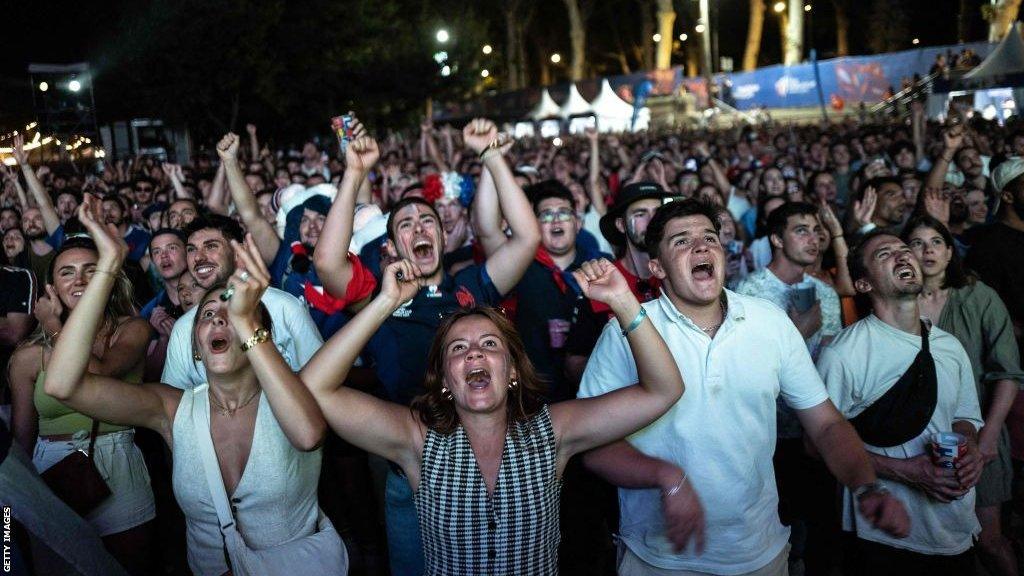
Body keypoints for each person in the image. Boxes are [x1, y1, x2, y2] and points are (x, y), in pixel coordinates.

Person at [579, 199, 909, 576]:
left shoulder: (769, 322)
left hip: (759, 553)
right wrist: (664, 477)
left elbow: (826, 423)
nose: (701, 247)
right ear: (657, 267)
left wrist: (866, 485)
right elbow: (593, 445)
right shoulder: (626, 331)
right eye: (682, 241)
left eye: (709, 238)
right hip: (658, 558)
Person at [298, 255, 684, 575]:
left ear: (512, 370)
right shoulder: (416, 439)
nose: (474, 354)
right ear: (445, 379)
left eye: (489, 344)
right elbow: (314, 388)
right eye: (458, 349)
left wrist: (624, 302)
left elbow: (663, 390)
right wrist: (385, 303)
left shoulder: (554, 431)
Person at [41, 194, 345, 576]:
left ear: (257, 338)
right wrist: (107, 265)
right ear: (196, 350)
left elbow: (307, 434)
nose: (219, 319)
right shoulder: (173, 409)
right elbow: (63, 385)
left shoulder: (289, 399)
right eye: (207, 316)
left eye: (231, 313)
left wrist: (248, 320)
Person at [313, 121, 539, 575]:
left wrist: (491, 154)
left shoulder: (471, 285)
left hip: (493, 462)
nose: (420, 228)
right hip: (415, 468)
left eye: (428, 221)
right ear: (394, 245)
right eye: (406, 224)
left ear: (443, 236)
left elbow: (527, 238)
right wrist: (354, 173)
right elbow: (326, 262)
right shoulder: (380, 295)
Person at [818, 230, 983, 574]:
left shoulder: (949, 346)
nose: (902, 255)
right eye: (884, 254)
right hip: (886, 535)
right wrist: (908, 471)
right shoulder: (844, 354)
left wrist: (971, 448)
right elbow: (817, 443)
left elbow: (965, 418)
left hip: (954, 522)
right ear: (863, 285)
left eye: (904, 249)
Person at [7, 233, 157, 574]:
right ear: (52, 288)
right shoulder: (28, 357)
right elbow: (22, 439)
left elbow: (99, 371)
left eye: (91, 270)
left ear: (107, 278)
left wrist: (55, 326)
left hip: (117, 461)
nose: (79, 280)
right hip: (52, 468)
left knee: (131, 567)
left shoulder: (132, 329)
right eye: (67, 272)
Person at [903, 215, 1023, 575]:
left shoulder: (978, 296)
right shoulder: (897, 302)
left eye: (936, 242)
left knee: (988, 540)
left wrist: (987, 439)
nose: (927, 250)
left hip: (979, 435)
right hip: (917, 438)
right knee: (930, 546)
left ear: (950, 251)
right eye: (917, 243)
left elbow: (1008, 373)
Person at [160, 213, 323, 389]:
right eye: (191, 249)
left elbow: (322, 378)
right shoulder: (183, 327)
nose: (198, 257)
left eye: (211, 246)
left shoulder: (284, 307)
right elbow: (174, 403)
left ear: (239, 253)